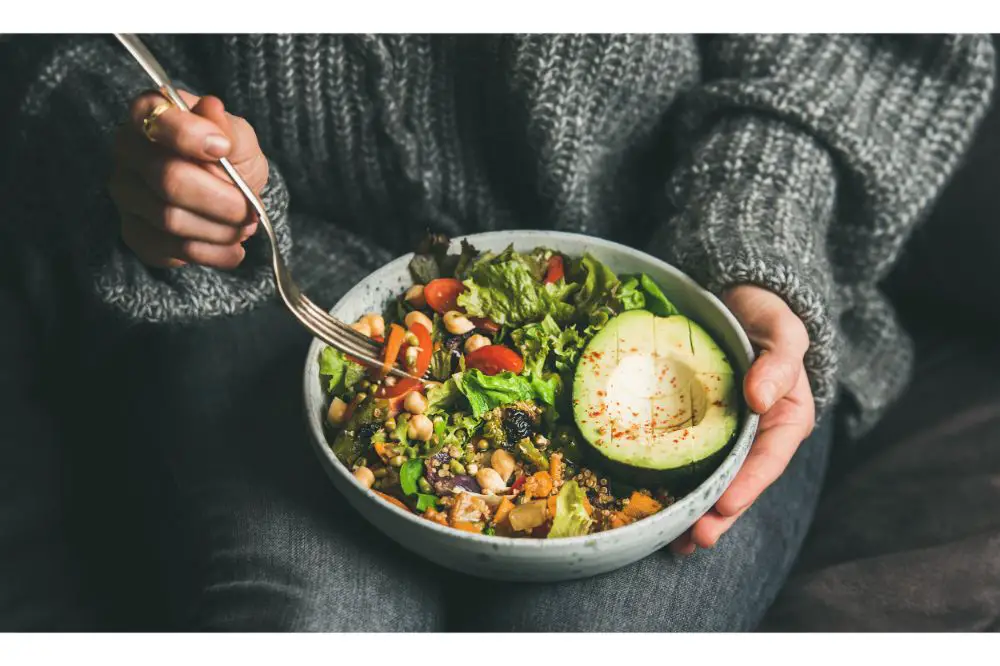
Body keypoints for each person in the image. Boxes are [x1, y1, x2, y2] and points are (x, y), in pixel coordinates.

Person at [0, 34, 994, 631]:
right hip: (261, 288)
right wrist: (127, 144)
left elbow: (858, 46)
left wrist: (754, 225)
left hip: (686, 274)